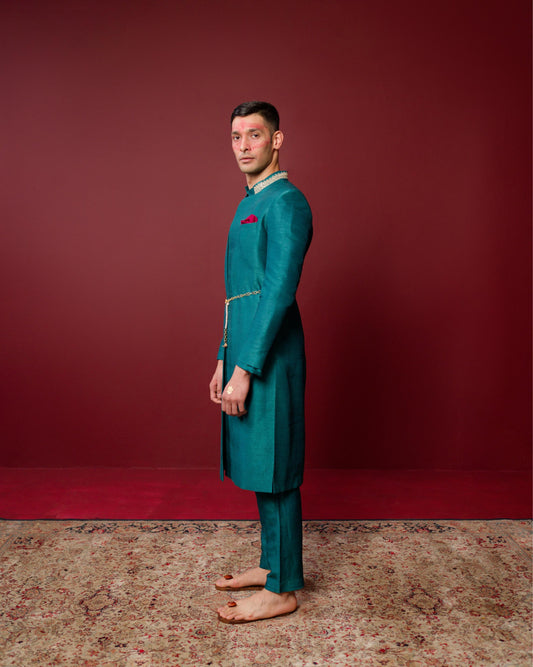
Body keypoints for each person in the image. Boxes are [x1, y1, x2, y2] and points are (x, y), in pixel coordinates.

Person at [209, 101, 312, 624]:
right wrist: (222, 358)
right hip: (245, 350)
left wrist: (245, 369)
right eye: (236, 136)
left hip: (271, 353)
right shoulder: (249, 201)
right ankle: (272, 564)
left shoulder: (287, 202)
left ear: (277, 140)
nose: (244, 145)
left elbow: (276, 293)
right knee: (259, 462)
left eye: (254, 134)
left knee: (278, 467)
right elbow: (238, 295)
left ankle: (284, 588)